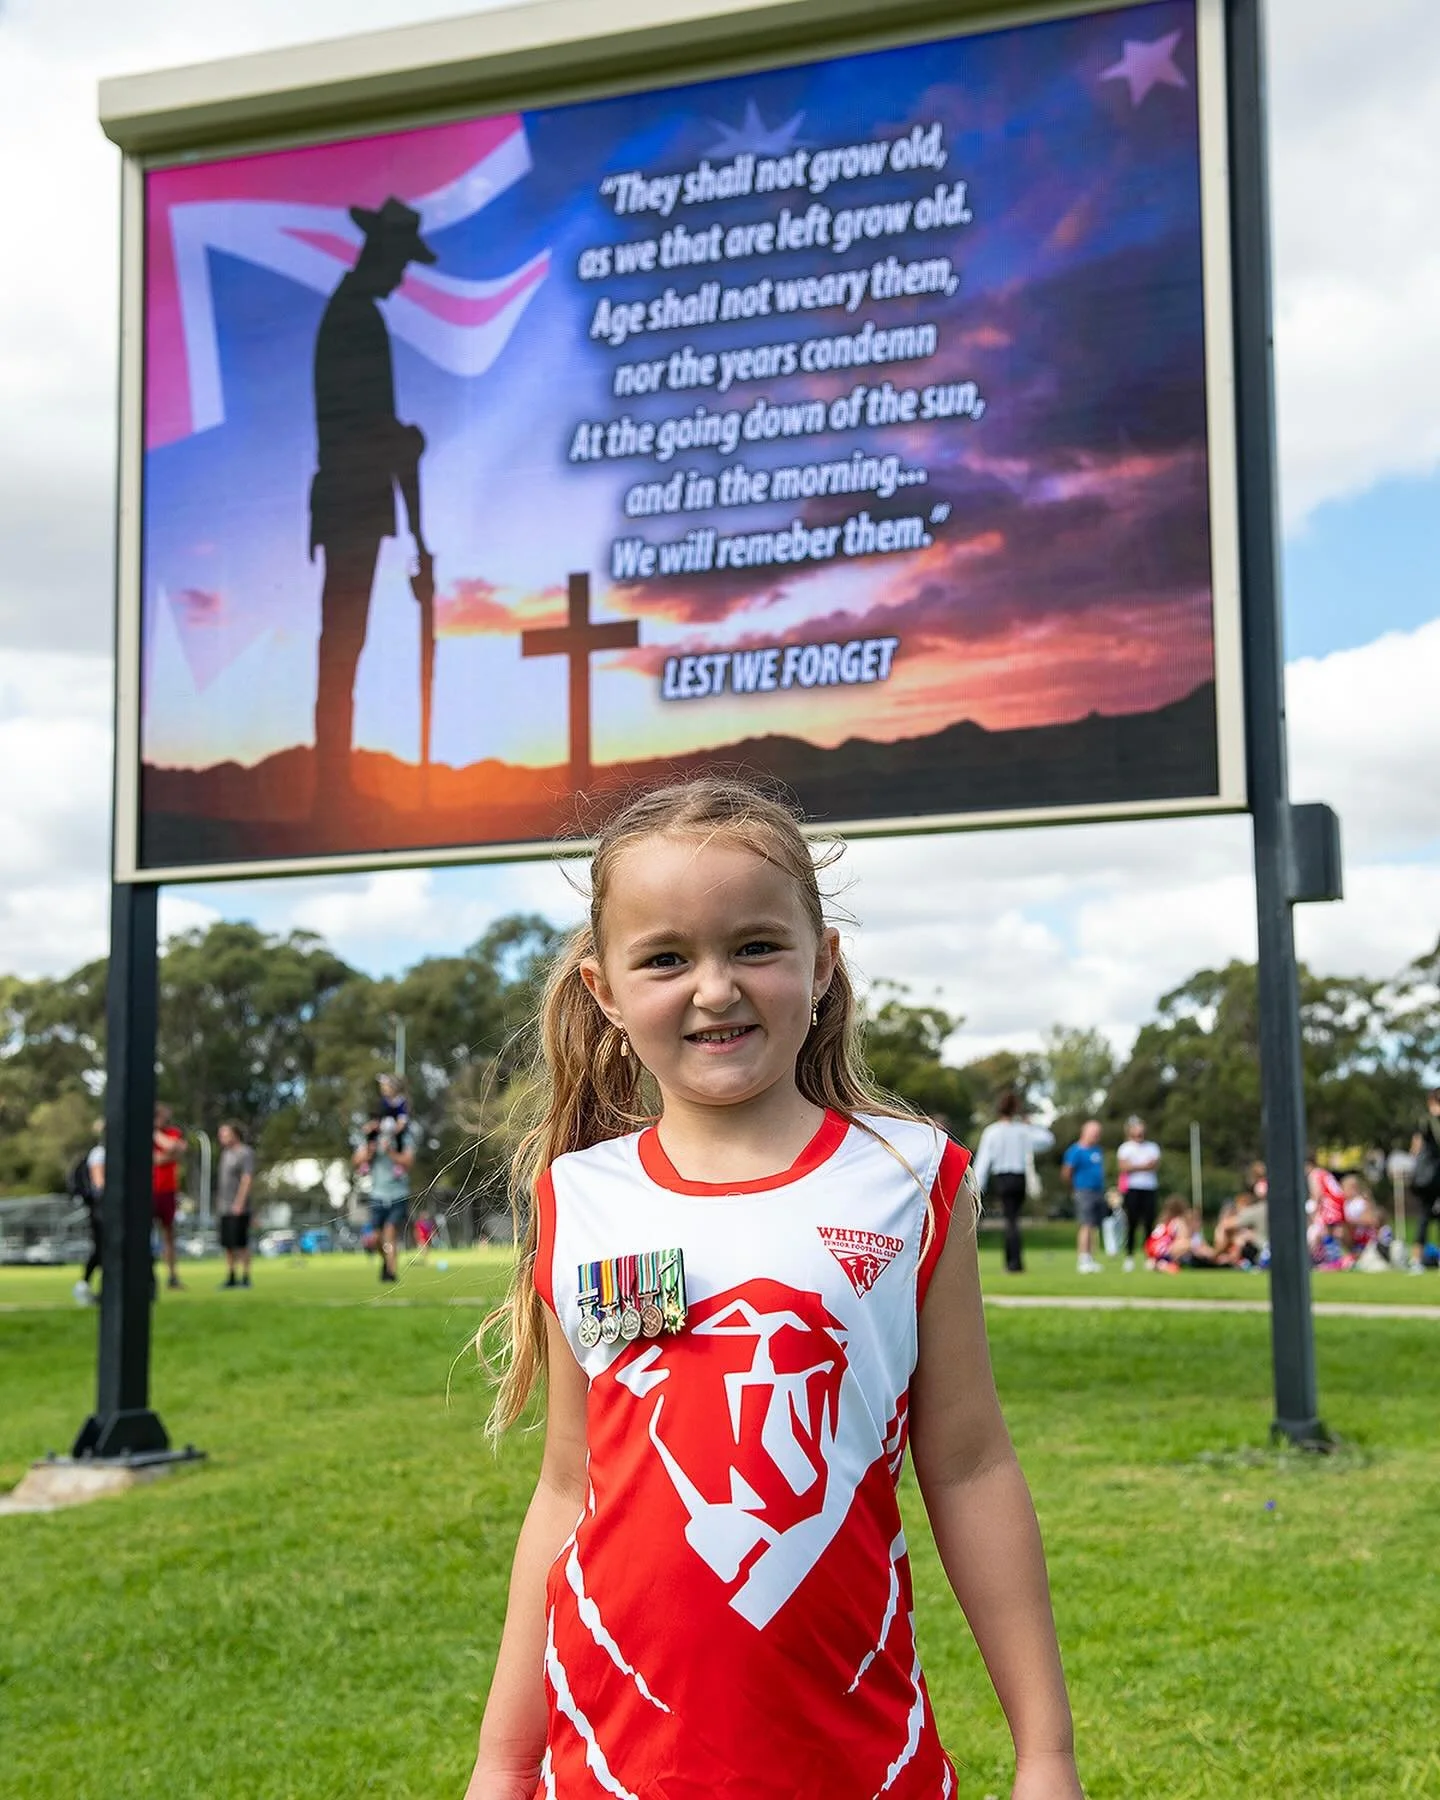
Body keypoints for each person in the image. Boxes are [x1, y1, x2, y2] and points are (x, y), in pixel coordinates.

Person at [464, 780, 1080, 1800]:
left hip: (856, 1760)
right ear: (605, 991)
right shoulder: (579, 1198)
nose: (714, 988)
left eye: (754, 945)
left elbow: (969, 1466)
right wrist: (504, 1763)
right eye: (666, 957)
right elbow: (568, 1492)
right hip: (611, 1766)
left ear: (822, 961)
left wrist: (1046, 1757)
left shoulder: (913, 1181)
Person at [310, 195, 436, 801]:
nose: (402, 274)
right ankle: (331, 785)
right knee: (341, 644)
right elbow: (373, 430)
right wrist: (405, 442)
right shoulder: (356, 318)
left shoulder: (353, 314)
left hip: (354, 501)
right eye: (400, 259)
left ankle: (333, 782)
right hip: (350, 502)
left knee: (344, 643)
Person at [972, 1089, 1054, 1273]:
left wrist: (976, 1187)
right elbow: (1048, 1140)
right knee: (1013, 1219)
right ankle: (1013, 1261)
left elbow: (983, 1162)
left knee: (1010, 1221)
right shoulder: (1022, 1131)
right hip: (1019, 1179)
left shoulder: (992, 1132)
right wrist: (1032, 1125)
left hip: (1003, 1178)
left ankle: (1013, 1263)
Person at [356, 1097, 413, 1284]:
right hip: (377, 1194)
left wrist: (390, 1152)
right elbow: (357, 1161)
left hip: (398, 1193)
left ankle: (391, 1272)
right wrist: (370, 1149)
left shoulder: (402, 1138)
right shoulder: (370, 1138)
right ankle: (386, 1262)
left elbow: (408, 1162)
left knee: (390, 1232)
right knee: (377, 1238)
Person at [1115, 1116, 1161, 1273]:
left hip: (1149, 1188)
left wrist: (1134, 1165)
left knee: (1149, 1223)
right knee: (1132, 1223)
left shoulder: (1152, 1147)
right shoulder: (1125, 1148)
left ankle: (1150, 1256)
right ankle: (1129, 1256)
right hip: (1132, 1189)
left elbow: (1154, 1165)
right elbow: (1123, 1167)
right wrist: (1143, 1166)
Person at [1061, 1119, 1107, 1273]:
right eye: (1094, 1133)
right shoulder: (1076, 1151)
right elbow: (1067, 1172)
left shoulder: (1097, 1150)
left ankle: (1091, 1257)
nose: (1096, 1136)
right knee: (1085, 1224)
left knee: (1093, 1225)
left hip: (1097, 1191)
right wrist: (1074, 1189)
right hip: (1083, 1190)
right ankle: (1083, 1258)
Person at [70, 1121, 106, 1306]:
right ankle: (83, 1285)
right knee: (101, 1250)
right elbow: (100, 1184)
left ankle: (101, 1289)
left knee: (106, 1251)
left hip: (106, 1209)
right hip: (102, 1209)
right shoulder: (100, 1154)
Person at [216, 1121, 256, 1289]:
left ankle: (246, 1277)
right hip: (223, 1206)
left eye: (225, 1134)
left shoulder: (245, 1153)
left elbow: (247, 1178)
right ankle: (231, 1276)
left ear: (235, 1134)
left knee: (241, 1243)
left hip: (238, 1206)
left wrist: (239, 1202)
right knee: (228, 1244)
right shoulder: (225, 1154)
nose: (222, 1138)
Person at [152, 1103, 186, 1292]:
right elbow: (155, 1159)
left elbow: (176, 1148)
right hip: (150, 1190)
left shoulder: (172, 1132)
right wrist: (168, 1155)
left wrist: (158, 1137)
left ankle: (172, 1277)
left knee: (169, 1235)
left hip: (168, 1191)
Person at [1409, 1089, 1440, 1269]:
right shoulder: (1427, 1121)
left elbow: (1415, 1147)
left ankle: (1417, 1260)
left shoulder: (1428, 1120)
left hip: (1429, 1176)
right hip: (1430, 1178)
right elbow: (1417, 1145)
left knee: (1425, 1216)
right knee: (1424, 1216)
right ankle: (1417, 1259)